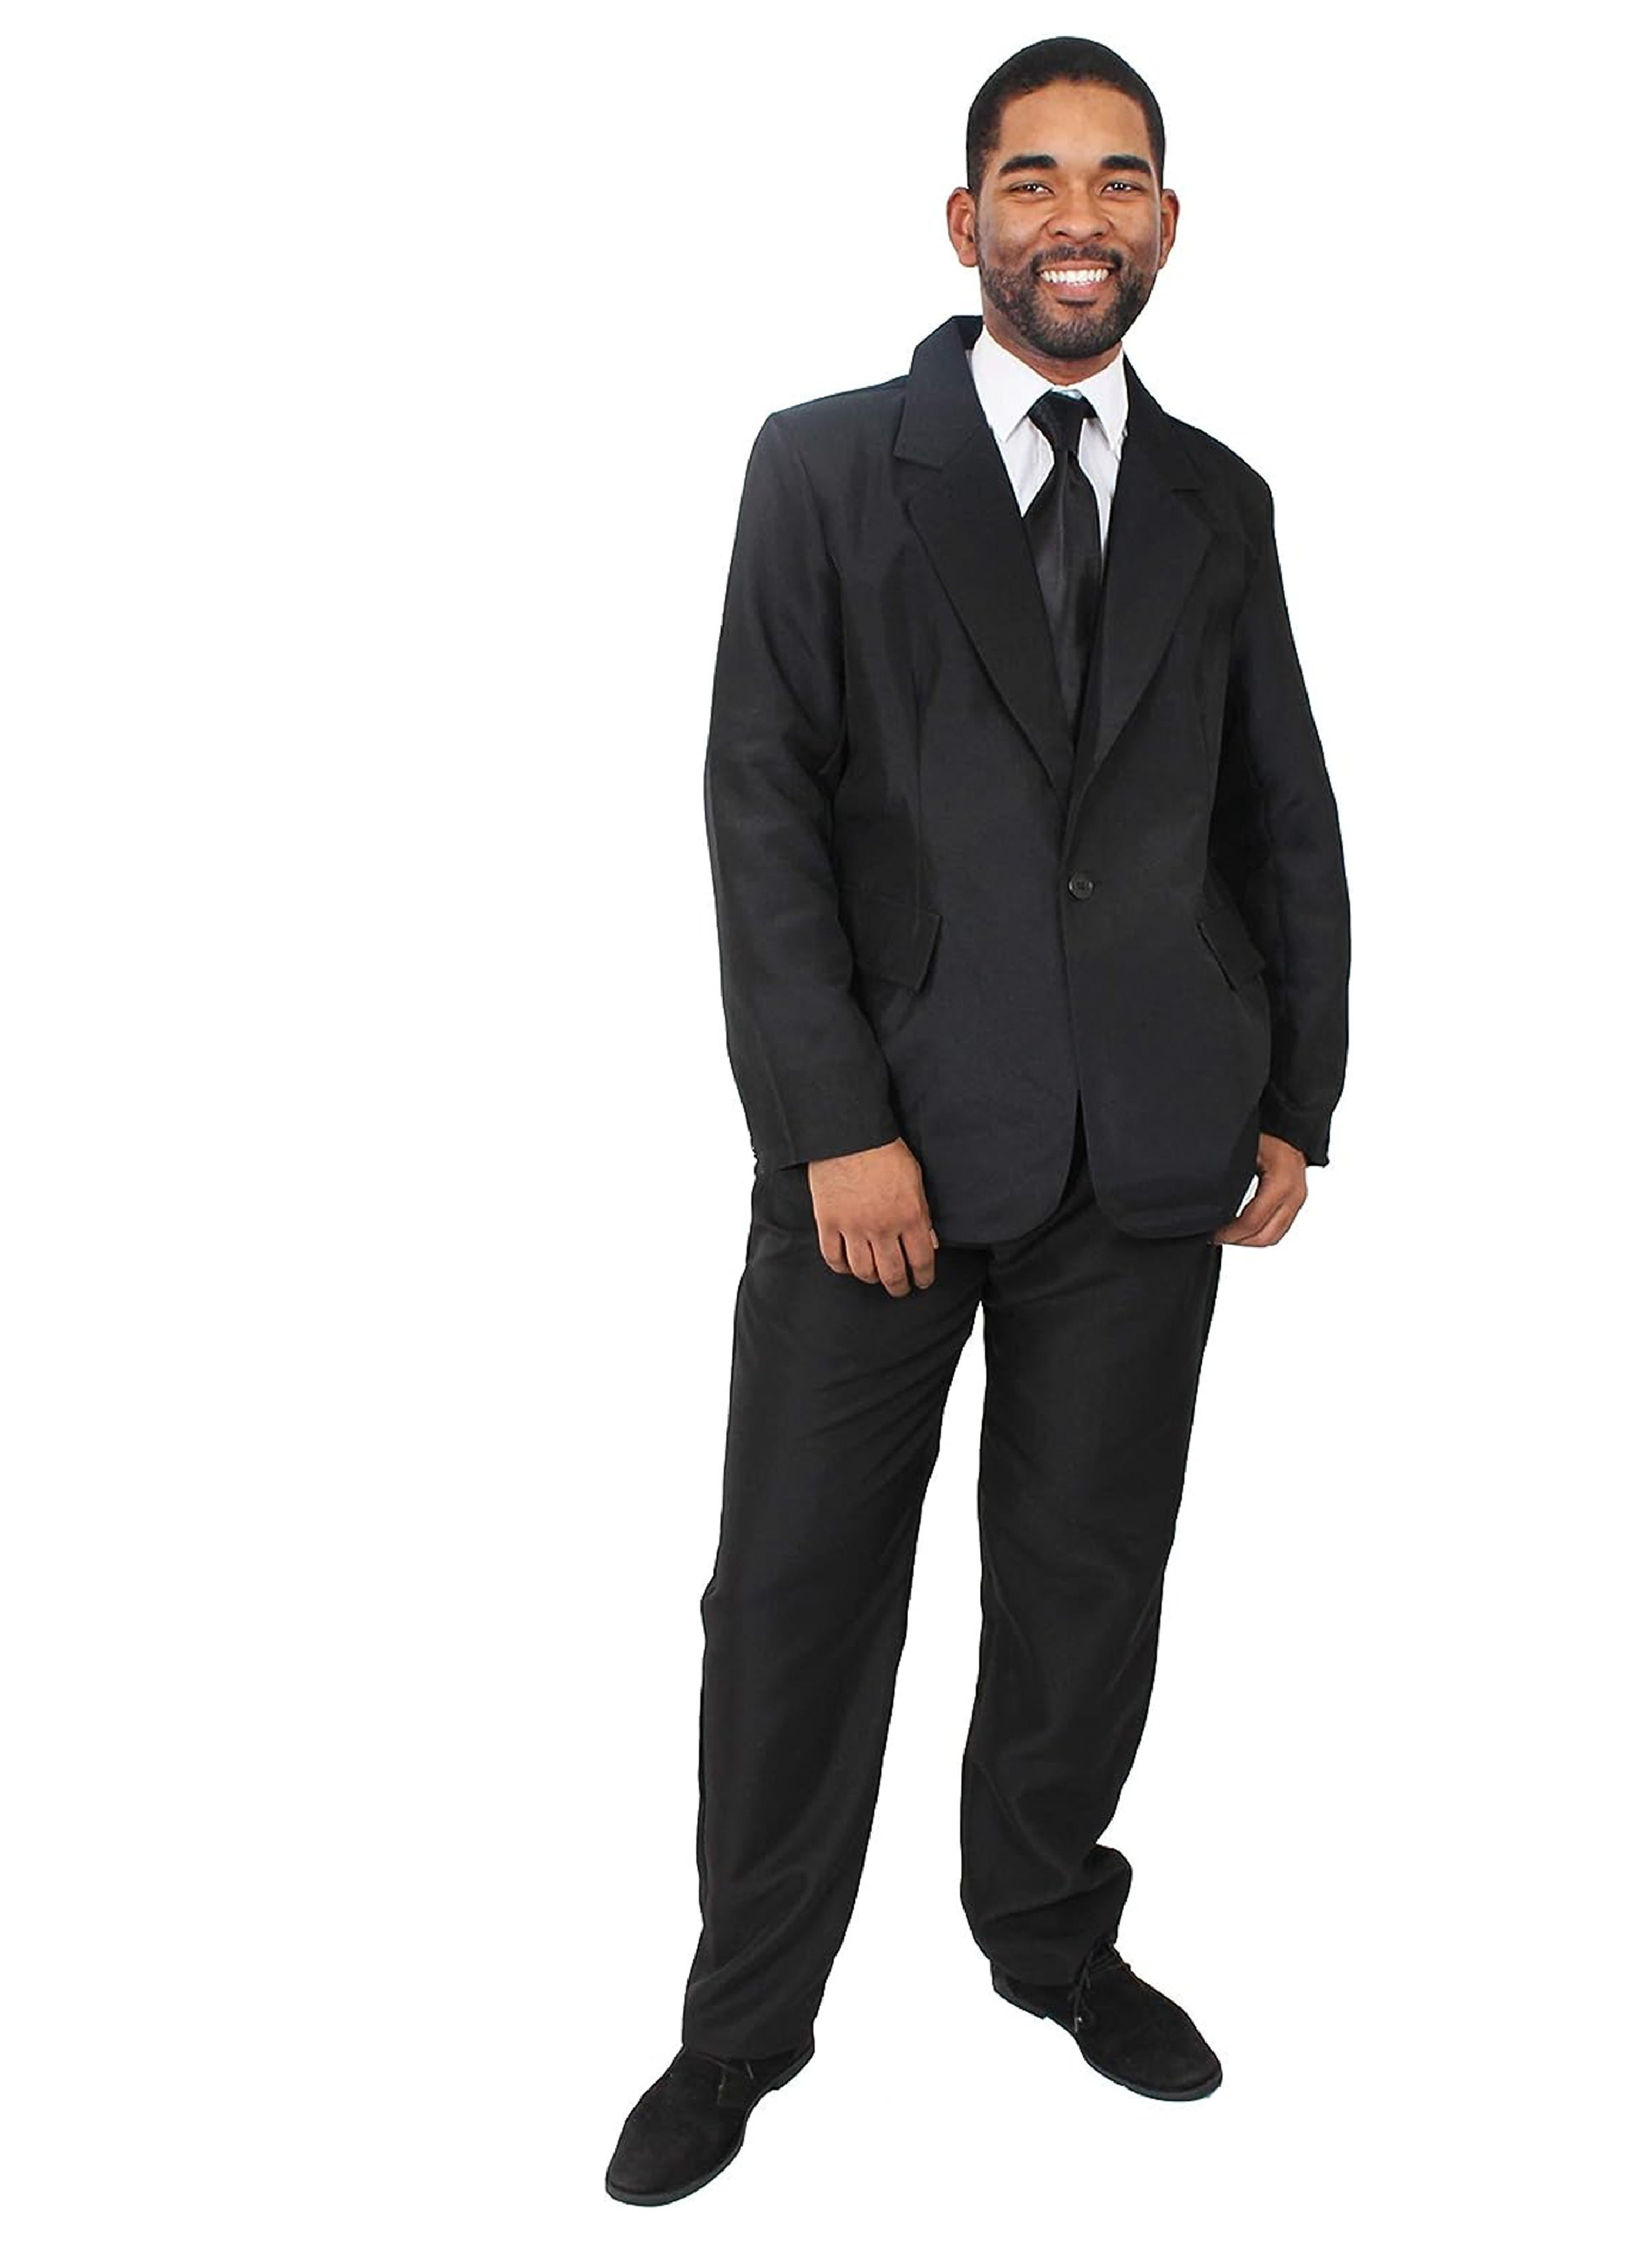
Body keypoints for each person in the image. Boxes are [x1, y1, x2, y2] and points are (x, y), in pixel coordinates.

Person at [607, 36, 1351, 2208]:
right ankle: (742, 2026)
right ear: (967, 222)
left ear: (1167, 225)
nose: (1076, 219)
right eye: (1034, 181)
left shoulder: (1219, 500)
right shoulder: (828, 467)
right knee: (796, 1598)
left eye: (1119, 180)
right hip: (886, 1161)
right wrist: (830, 1122)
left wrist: (1294, 1087)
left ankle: (1047, 1935)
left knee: (1086, 1581)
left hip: (1151, 1148)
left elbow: (1279, 810)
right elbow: (760, 803)